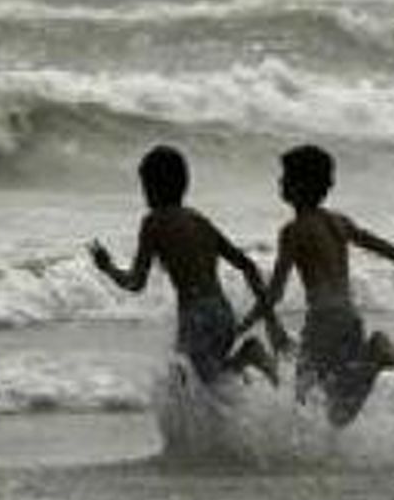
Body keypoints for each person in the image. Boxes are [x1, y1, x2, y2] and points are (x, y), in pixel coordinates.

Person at [237, 144, 394, 426]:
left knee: (308, 405)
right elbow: (383, 247)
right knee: (335, 406)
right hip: (349, 318)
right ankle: (373, 355)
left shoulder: (293, 231)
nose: (280, 182)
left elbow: (275, 293)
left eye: (285, 177)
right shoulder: (338, 222)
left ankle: (375, 354)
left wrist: (245, 325)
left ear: (301, 185)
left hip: (323, 322)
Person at [89, 145, 281, 387]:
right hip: (223, 313)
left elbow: (136, 284)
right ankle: (243, 364)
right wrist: (269, 316)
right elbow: (248, 266)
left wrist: (107, 267)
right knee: (204, 382)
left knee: (191, 383)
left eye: (145, 186)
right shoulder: (198, 220)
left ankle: (249, 354)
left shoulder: (153, 223)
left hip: (196, 317)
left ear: (152, 186)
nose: (144, 193)